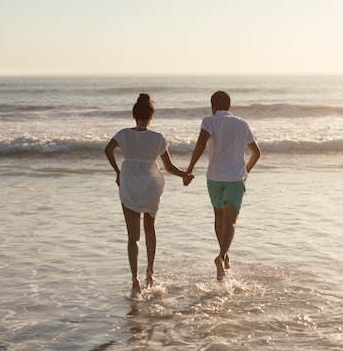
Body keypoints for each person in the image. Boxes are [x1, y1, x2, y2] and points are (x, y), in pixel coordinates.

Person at [105, 93, 192, 298]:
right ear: (151, 116)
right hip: (151, 186)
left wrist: (118, 172)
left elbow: (107, 150)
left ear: (134, 115)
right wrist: (184, 175)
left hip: (129, 184)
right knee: (150, 229)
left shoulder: (123, 134)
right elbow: (168, 167)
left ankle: (134, 279)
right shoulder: (158, 138)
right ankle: (150, 273)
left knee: (132, 236)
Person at [184, 91, 261, 281]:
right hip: (235, 178)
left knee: (219, 216)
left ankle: (224, 255)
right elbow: (256, 153)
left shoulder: (209, 121)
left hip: (214, 178)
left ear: (213, 106)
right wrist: (245, 172)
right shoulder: (242, 124)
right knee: (231, 222)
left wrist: (189, 169)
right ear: (230, 106)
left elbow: (201, 144)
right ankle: (221, 255)